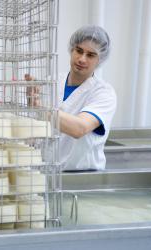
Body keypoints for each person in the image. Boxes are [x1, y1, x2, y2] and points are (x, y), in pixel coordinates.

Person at [26, 25, 117, 171]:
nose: (82, 59)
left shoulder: (103, 93)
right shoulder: (52, 82)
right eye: (79, 51)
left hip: (81, 178)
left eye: (90, 55)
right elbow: (37, 129)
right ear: (72, 50)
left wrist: (40, 108)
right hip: (46, 173)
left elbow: (79, 128)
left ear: (99, 60)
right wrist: (32, 102)